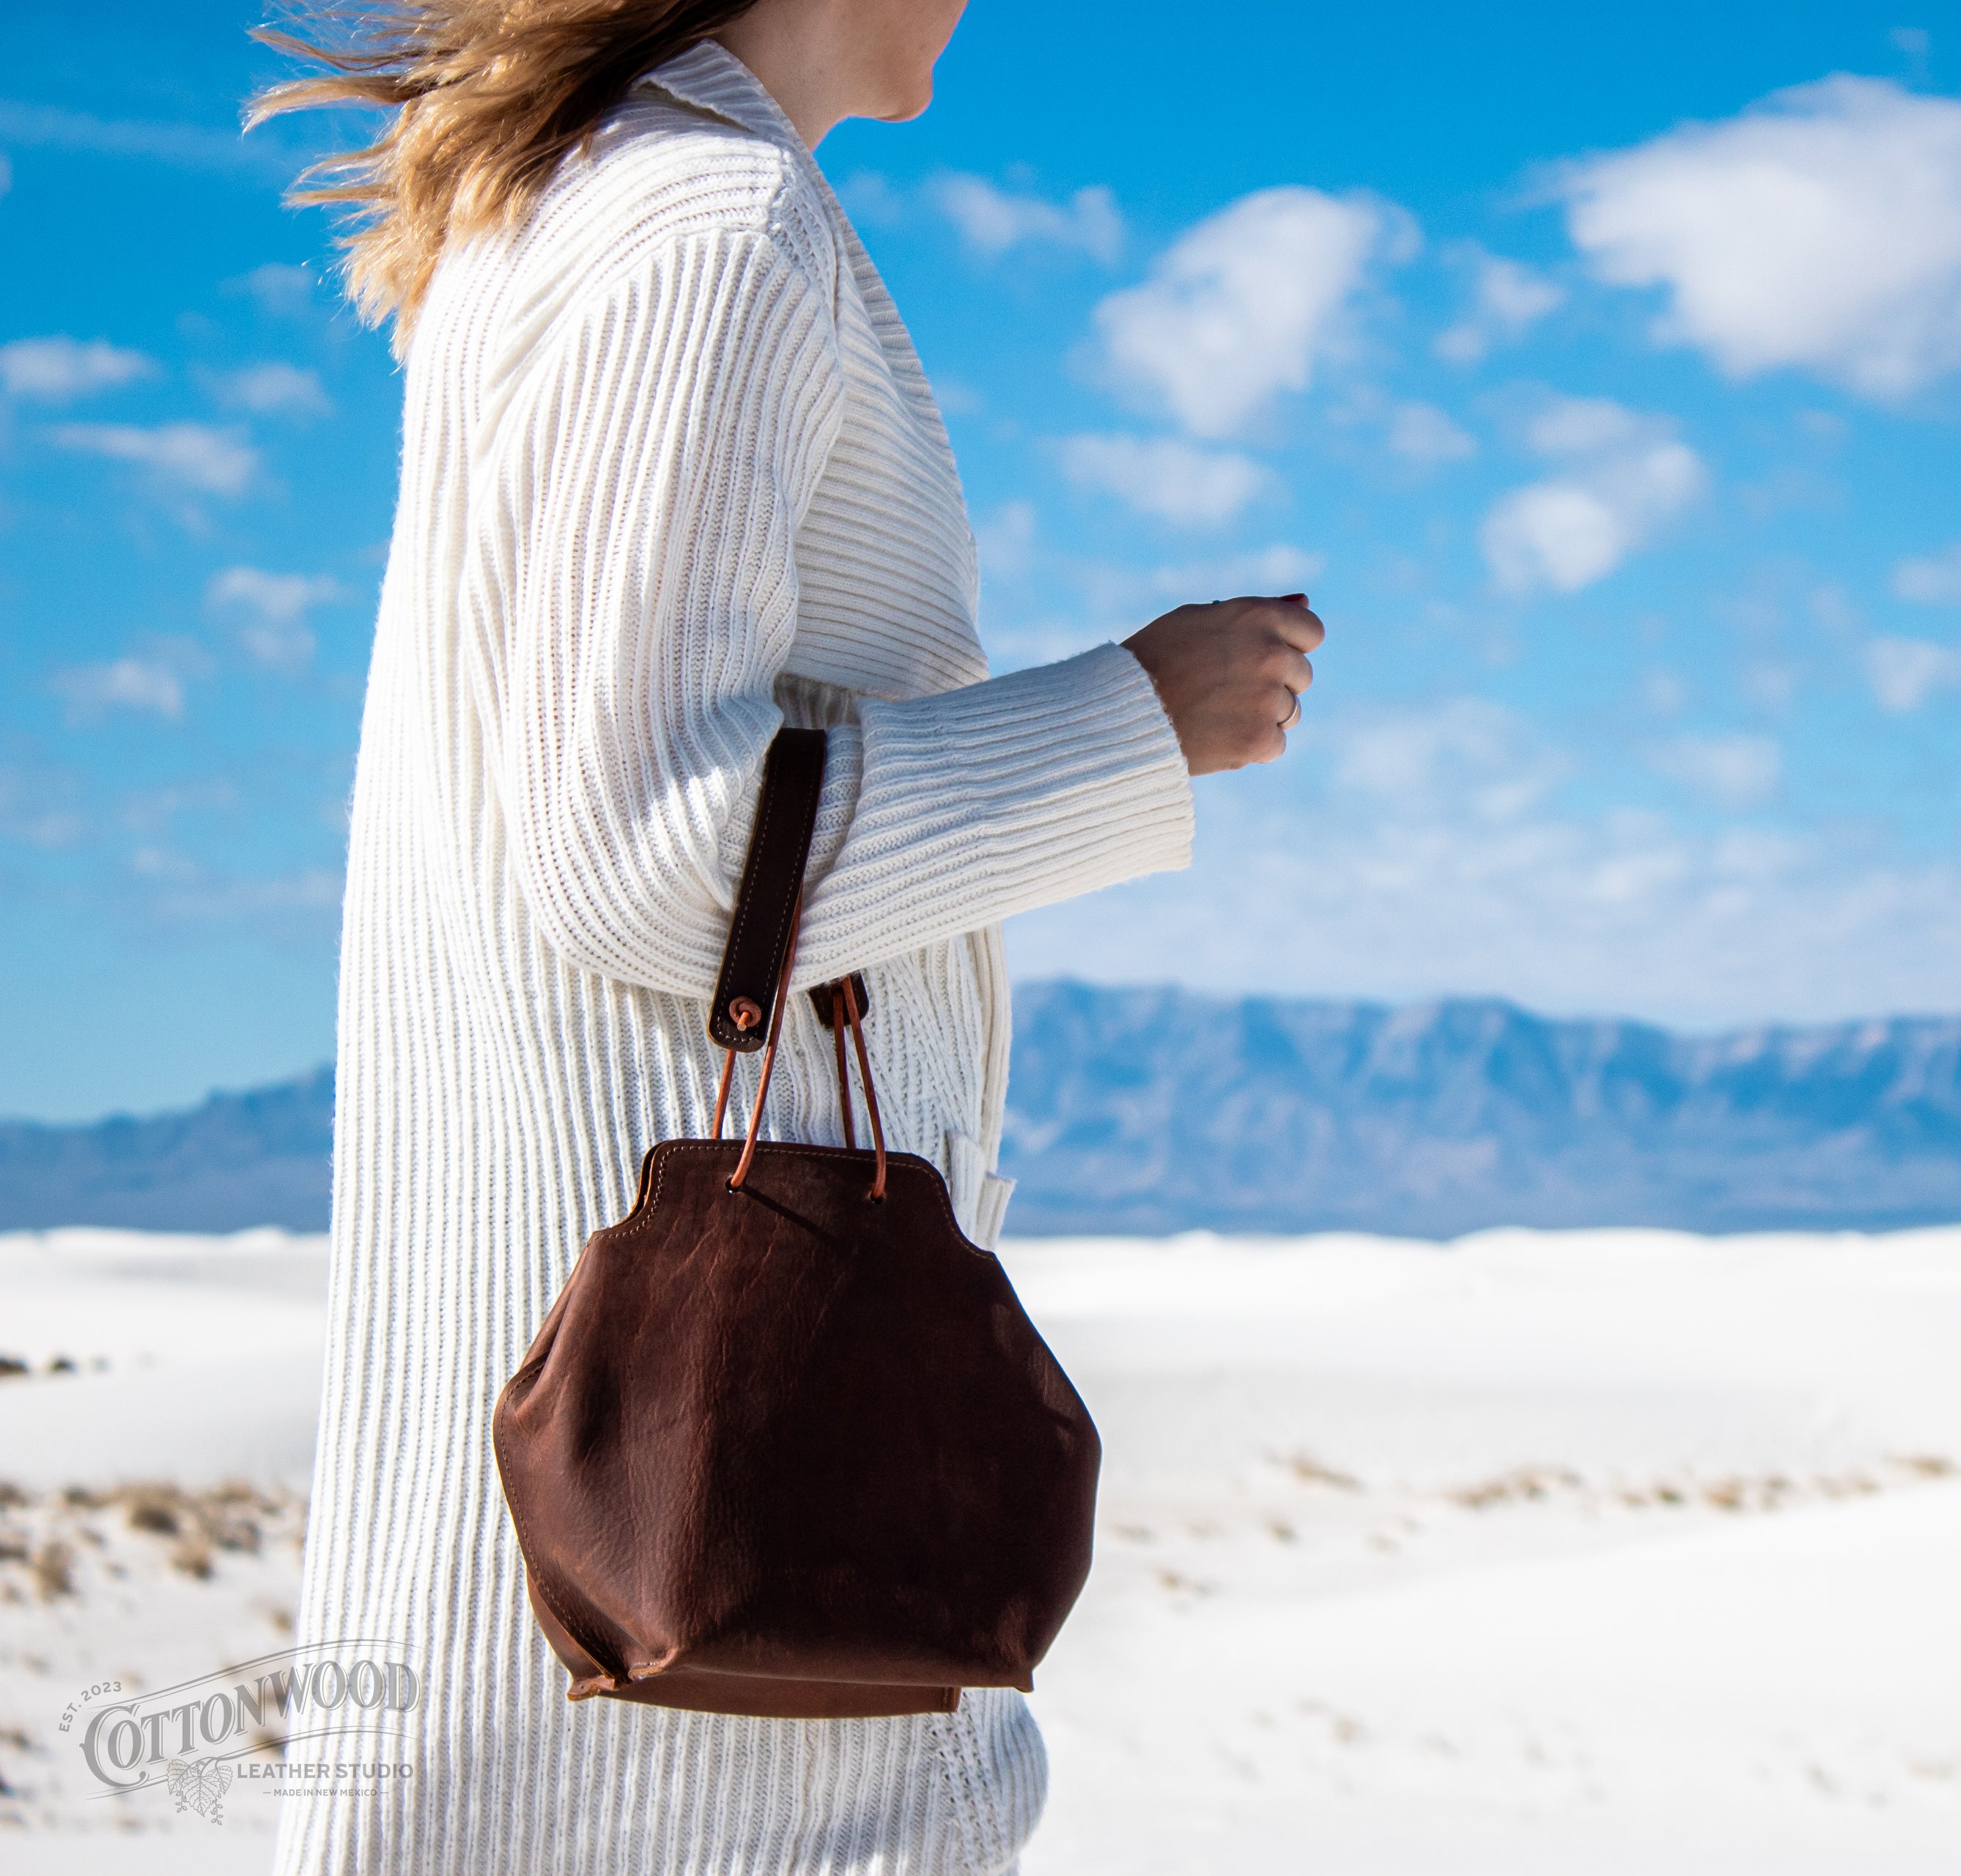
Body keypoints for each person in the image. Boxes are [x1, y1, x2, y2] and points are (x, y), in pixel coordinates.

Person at [251, 1, 1321, 1868]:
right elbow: (650, 842)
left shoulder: (613, 204)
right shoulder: (706, 226)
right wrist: (1134, 722)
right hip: (701, 1551)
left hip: (624, 1495)